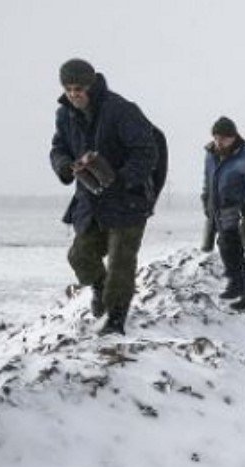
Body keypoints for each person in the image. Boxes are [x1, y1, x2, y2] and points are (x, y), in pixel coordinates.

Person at [50, 58, 162, 336]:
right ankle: (100, 290)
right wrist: (66, 165)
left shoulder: (121, 110)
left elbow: (147, 152)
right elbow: (58, 148)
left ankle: (115, 320)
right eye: (68, 88)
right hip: (90, 200)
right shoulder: (64, 115)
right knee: (79, 255)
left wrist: (121, 179)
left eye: (79, 88)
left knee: (121, 262)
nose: (74, 94)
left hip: (129, 200)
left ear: (92, 85)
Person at [202, 116, 245, 311]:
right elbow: (208, 179)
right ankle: (235, 283)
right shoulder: (210, 155)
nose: (219, 142)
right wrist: (206, 198)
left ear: (234, 137)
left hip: (240, 209)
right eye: (216, 137)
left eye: (224, 138)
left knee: (233, 249)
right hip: (219, 209)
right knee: (225, 247)